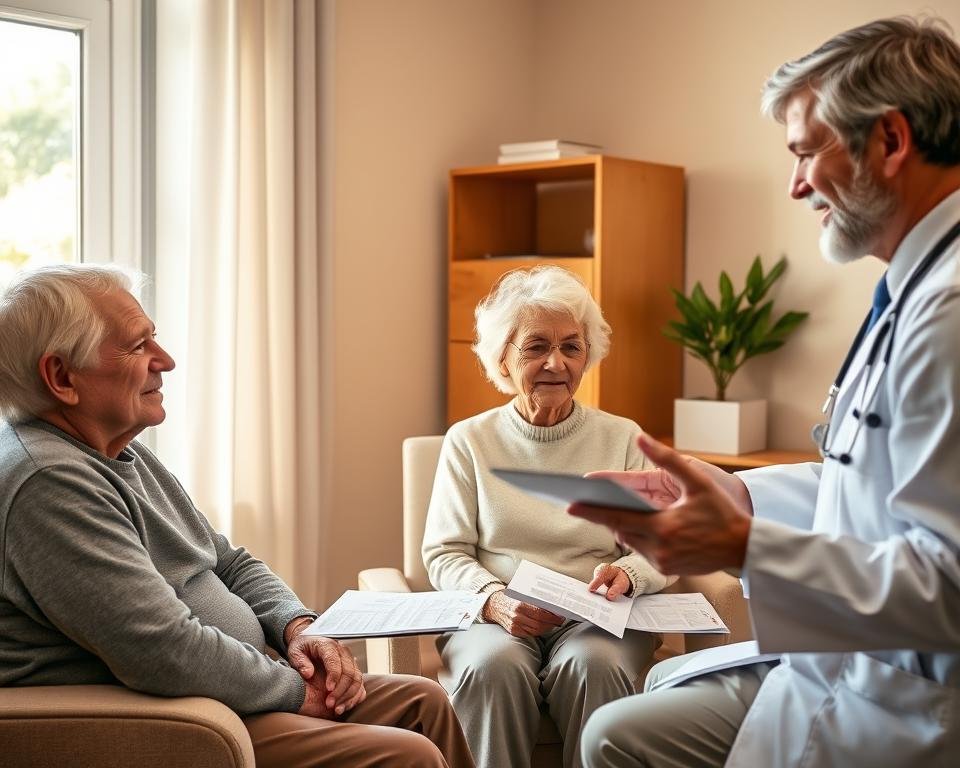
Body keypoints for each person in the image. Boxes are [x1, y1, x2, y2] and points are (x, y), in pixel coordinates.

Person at [571, 16, 960, 768]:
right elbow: (871, 488)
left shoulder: (949, 312)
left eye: (808, 152)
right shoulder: (911, 290)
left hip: (911, 706)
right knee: (616, 734)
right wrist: (742, 496)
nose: (796, 184)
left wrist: (745, 546)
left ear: (890, 140)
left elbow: (947, 581)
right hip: (846, 674)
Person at [0, 265, 475, 768]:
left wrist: (298, 627)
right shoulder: (49, 482)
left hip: (227, 686)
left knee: (427, 703)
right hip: (171, 712)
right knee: (409, 753)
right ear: (61, 377)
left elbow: (228, 562)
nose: (166, 361)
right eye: (138, 347)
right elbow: (161, 650)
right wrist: (293, 689)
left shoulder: (116, 449)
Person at [422, 265, 670, 768]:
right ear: (504, 359)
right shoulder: (469, 441)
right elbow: (445, 551)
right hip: (496, 617)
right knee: (492, 668)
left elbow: (661, 543)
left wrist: (628, 573)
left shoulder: (623, 438)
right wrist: (492, 600)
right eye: (536, 347)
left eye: (571, 347)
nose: (556, 362)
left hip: (597, 617)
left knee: (594, 665)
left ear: (587, 356)